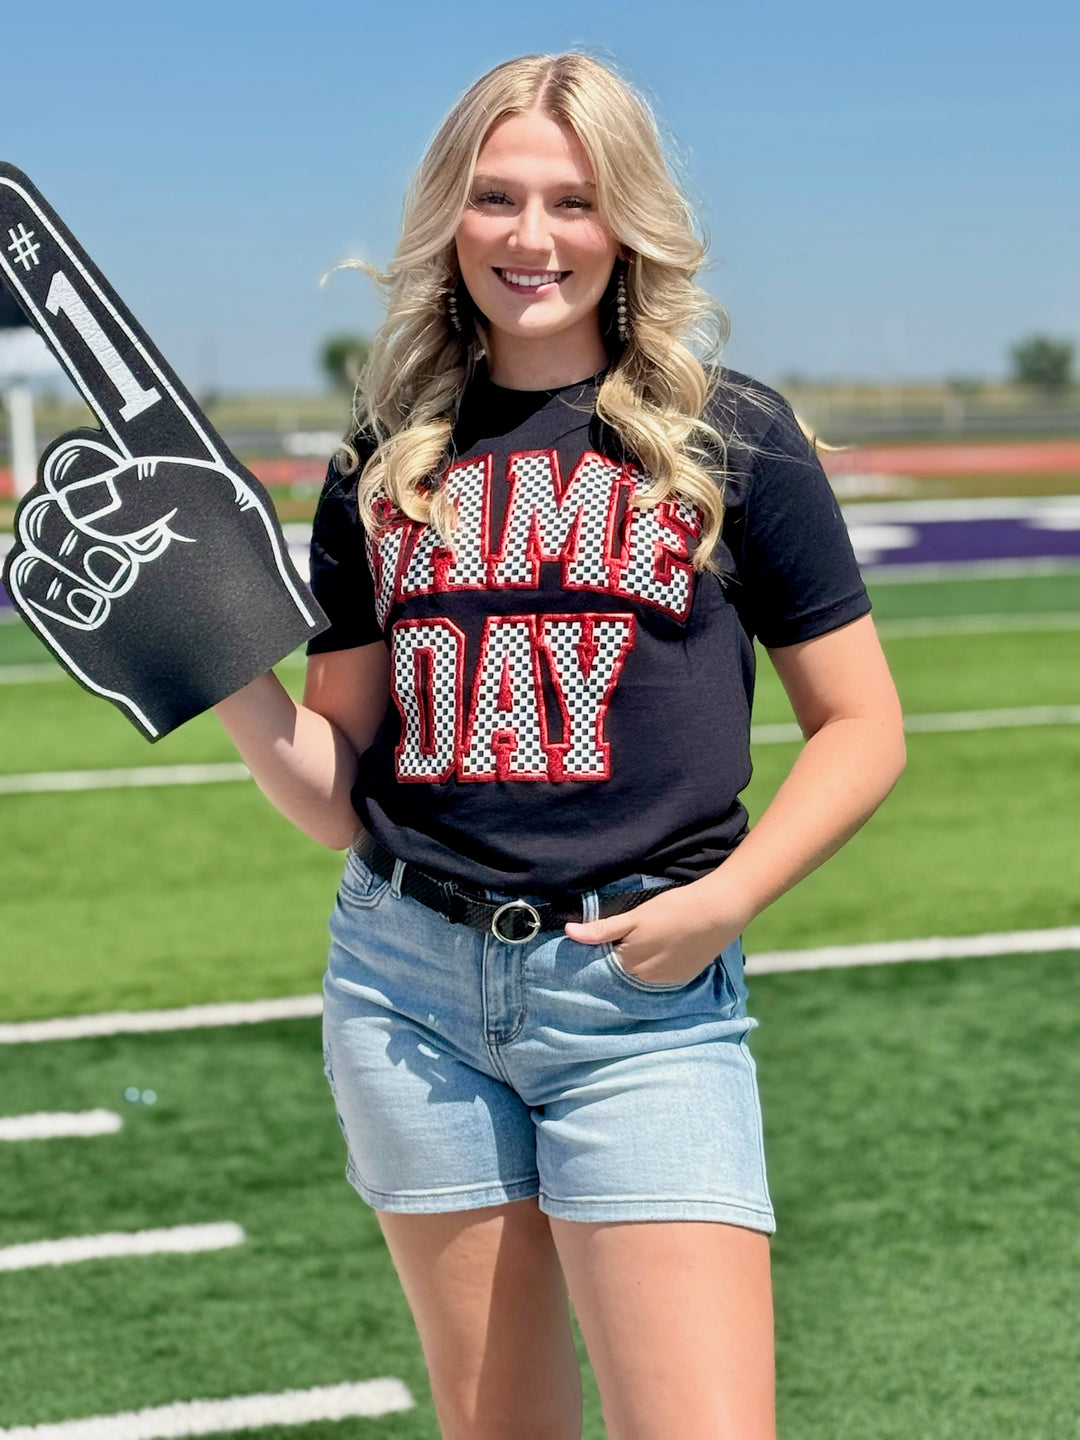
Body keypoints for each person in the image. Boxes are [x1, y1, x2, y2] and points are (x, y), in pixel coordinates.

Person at [214, 51, 905, 1440]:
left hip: (640, 1005)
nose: (533, 239)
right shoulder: (385, 456)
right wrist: (214, 657)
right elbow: (334, 793)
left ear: (626, 222)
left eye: (574, 203)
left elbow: (864, 725)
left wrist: (723, 904)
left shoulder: (730, 432)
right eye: (498, 199)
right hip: (406, 993)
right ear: (450, 220)